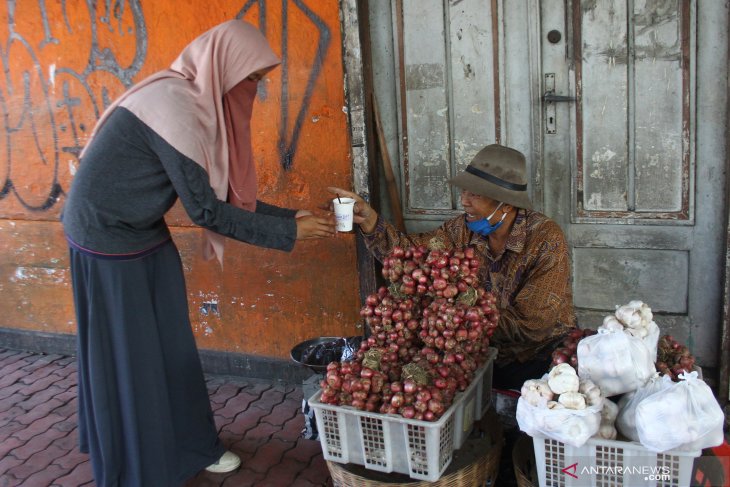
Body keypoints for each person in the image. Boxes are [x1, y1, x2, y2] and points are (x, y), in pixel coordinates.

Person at [62, 20, 335, 486]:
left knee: (172, 350)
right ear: (223, 68)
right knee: (136, 358)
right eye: (252, 79)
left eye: (262, 81)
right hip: (106, 241)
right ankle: (141, 459)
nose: (256, 90)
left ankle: (192, 443)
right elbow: (208, 211)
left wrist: (292, 219)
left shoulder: (193, 103)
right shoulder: (174, 108)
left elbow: (227, 198)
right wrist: (291, 234)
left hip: (142, 230)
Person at [328, 144, 576, 389]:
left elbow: (534, 326)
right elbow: (410, 257)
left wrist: (468, 313)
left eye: (475, 195)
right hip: (477, 349)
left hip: (535, 357)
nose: (464, 201)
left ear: (508, 205)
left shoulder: (545, 240)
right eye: (464, 192)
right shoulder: (461, 229)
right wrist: (370, 220)